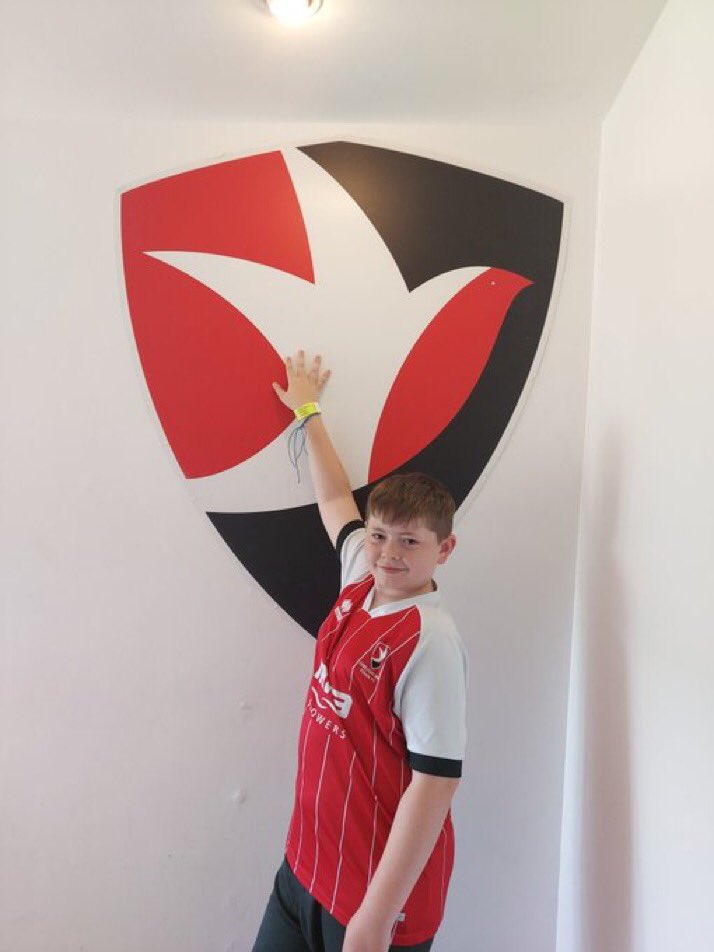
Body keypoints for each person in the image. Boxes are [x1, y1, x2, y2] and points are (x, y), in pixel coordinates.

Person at [251, 351, 468, 952]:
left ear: (443, 549)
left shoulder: (431, 641)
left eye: (409, 541)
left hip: (374, 904)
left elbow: (435, 784)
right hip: (304, 871)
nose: (388, 552)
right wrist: (308, 411)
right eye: (379, 535)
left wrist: (375, 919)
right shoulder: (361, 576)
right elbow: (333, 502)